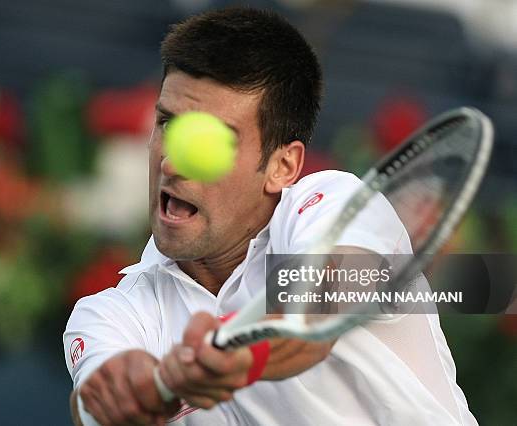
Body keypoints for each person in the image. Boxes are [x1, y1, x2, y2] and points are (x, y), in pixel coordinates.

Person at [64, 8, 477, 425]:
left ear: (282, 166)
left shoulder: (337, 205)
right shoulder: (112, 313)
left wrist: (232, 353)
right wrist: (126, 395)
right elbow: (96, 401)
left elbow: (316, 307)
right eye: (167, 123)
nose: (171, 162)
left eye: (209, 143)